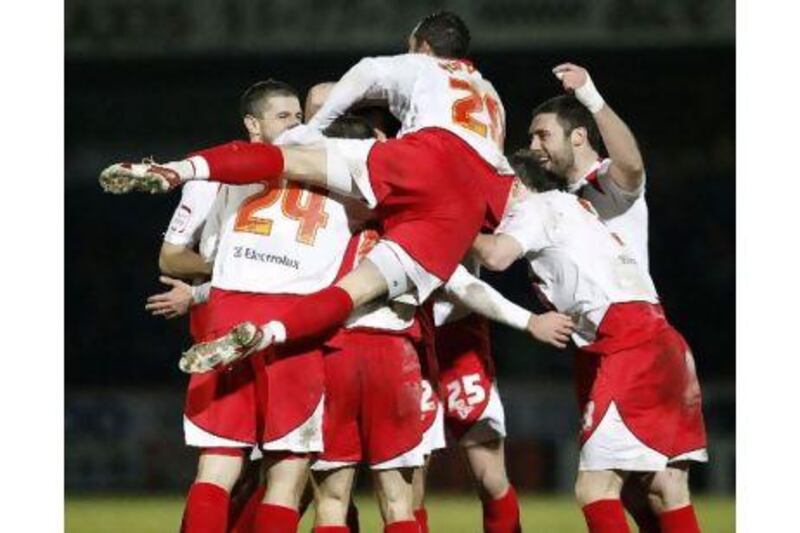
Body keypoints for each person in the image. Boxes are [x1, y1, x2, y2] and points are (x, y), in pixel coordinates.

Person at [97, 12, 557, 386]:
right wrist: (526, 320)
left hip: (423, 159)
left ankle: (175, 170)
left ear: (422, 45)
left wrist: (313, 130)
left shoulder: (424, 65)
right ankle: (263, 336)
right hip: (464, 205)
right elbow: (472, 276)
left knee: (283, 160)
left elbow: (367, 72)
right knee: (352, 291)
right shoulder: (491, 93)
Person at [473, 154, 708, 533]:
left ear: (515, 184)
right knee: (665, 488)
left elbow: (497, 256)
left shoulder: (533, 206)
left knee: (595, 489)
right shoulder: (576, 207)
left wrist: (446, 228)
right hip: (666, 340)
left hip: (628, 343)